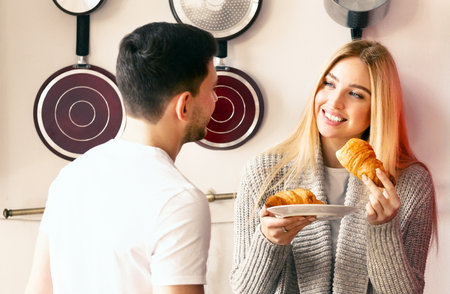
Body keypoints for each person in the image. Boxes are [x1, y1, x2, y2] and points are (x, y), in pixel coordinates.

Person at [230, 40, 437, 294]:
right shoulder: (265, 173)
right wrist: (269, 242)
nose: (334, 102)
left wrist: (384, 230)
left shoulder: (409, 182)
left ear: (377, 109)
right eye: (329, 84)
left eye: (356, 94)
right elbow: (243, 291)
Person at [25, 22, 218, 294]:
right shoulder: (178, 200)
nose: (216, 99)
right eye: (212, 89)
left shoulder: (71, 176)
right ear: (184, 105)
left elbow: (38, 289)